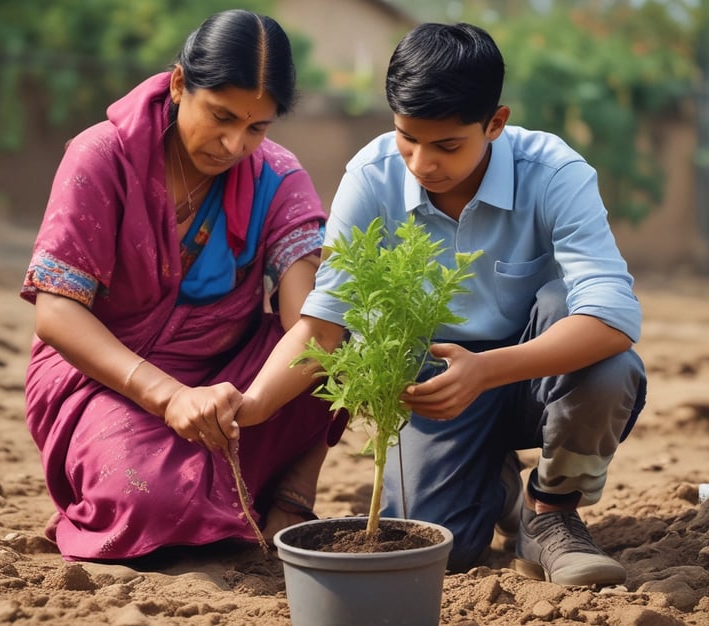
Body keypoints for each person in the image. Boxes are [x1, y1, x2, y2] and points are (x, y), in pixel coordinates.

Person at [237, 22, 647, 587]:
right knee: (444, 546)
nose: (421, 163)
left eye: (447, 144)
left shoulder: (554, 172)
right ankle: (496, 483)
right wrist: (251, 407)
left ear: (495, 123)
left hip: (538, 368)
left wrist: (485, 371)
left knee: (602, 358)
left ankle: (553, 512)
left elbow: (612, 319)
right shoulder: (372, 175)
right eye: (407, 137)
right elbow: (325, 321)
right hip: (434, 386)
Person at [20, 9, 344, 562]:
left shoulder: (278, 176)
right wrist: (169, 395)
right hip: (107, 377)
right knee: (149, 500)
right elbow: (57, 314)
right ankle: (205, 490)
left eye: (257, 127)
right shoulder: (102, 158)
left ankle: (291, 495)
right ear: (177, 84)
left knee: (346, 336)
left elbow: (309, 324)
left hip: (228, 382)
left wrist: (258, 403)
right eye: (220, 116)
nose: (234, 143)